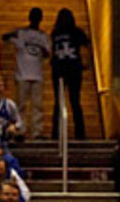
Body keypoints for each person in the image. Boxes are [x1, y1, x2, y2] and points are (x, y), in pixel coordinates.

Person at [1, 8, 51, 140]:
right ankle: (20, 130)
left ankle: (37, 132)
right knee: (21, 105)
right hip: (22, 73)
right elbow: (5, 37)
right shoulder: (21, 33)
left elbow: (48, 53)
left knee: (37, 106)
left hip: (37, 74)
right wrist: (14, 33)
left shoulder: (43, 36)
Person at [50, 8, 88, 140]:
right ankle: (80, 133)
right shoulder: (76, 32)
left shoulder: (55, 33)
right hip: (73, 68)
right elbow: (87, 44)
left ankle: (56, 133)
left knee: (59, 102)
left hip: (59, 69)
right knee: (75, 101)